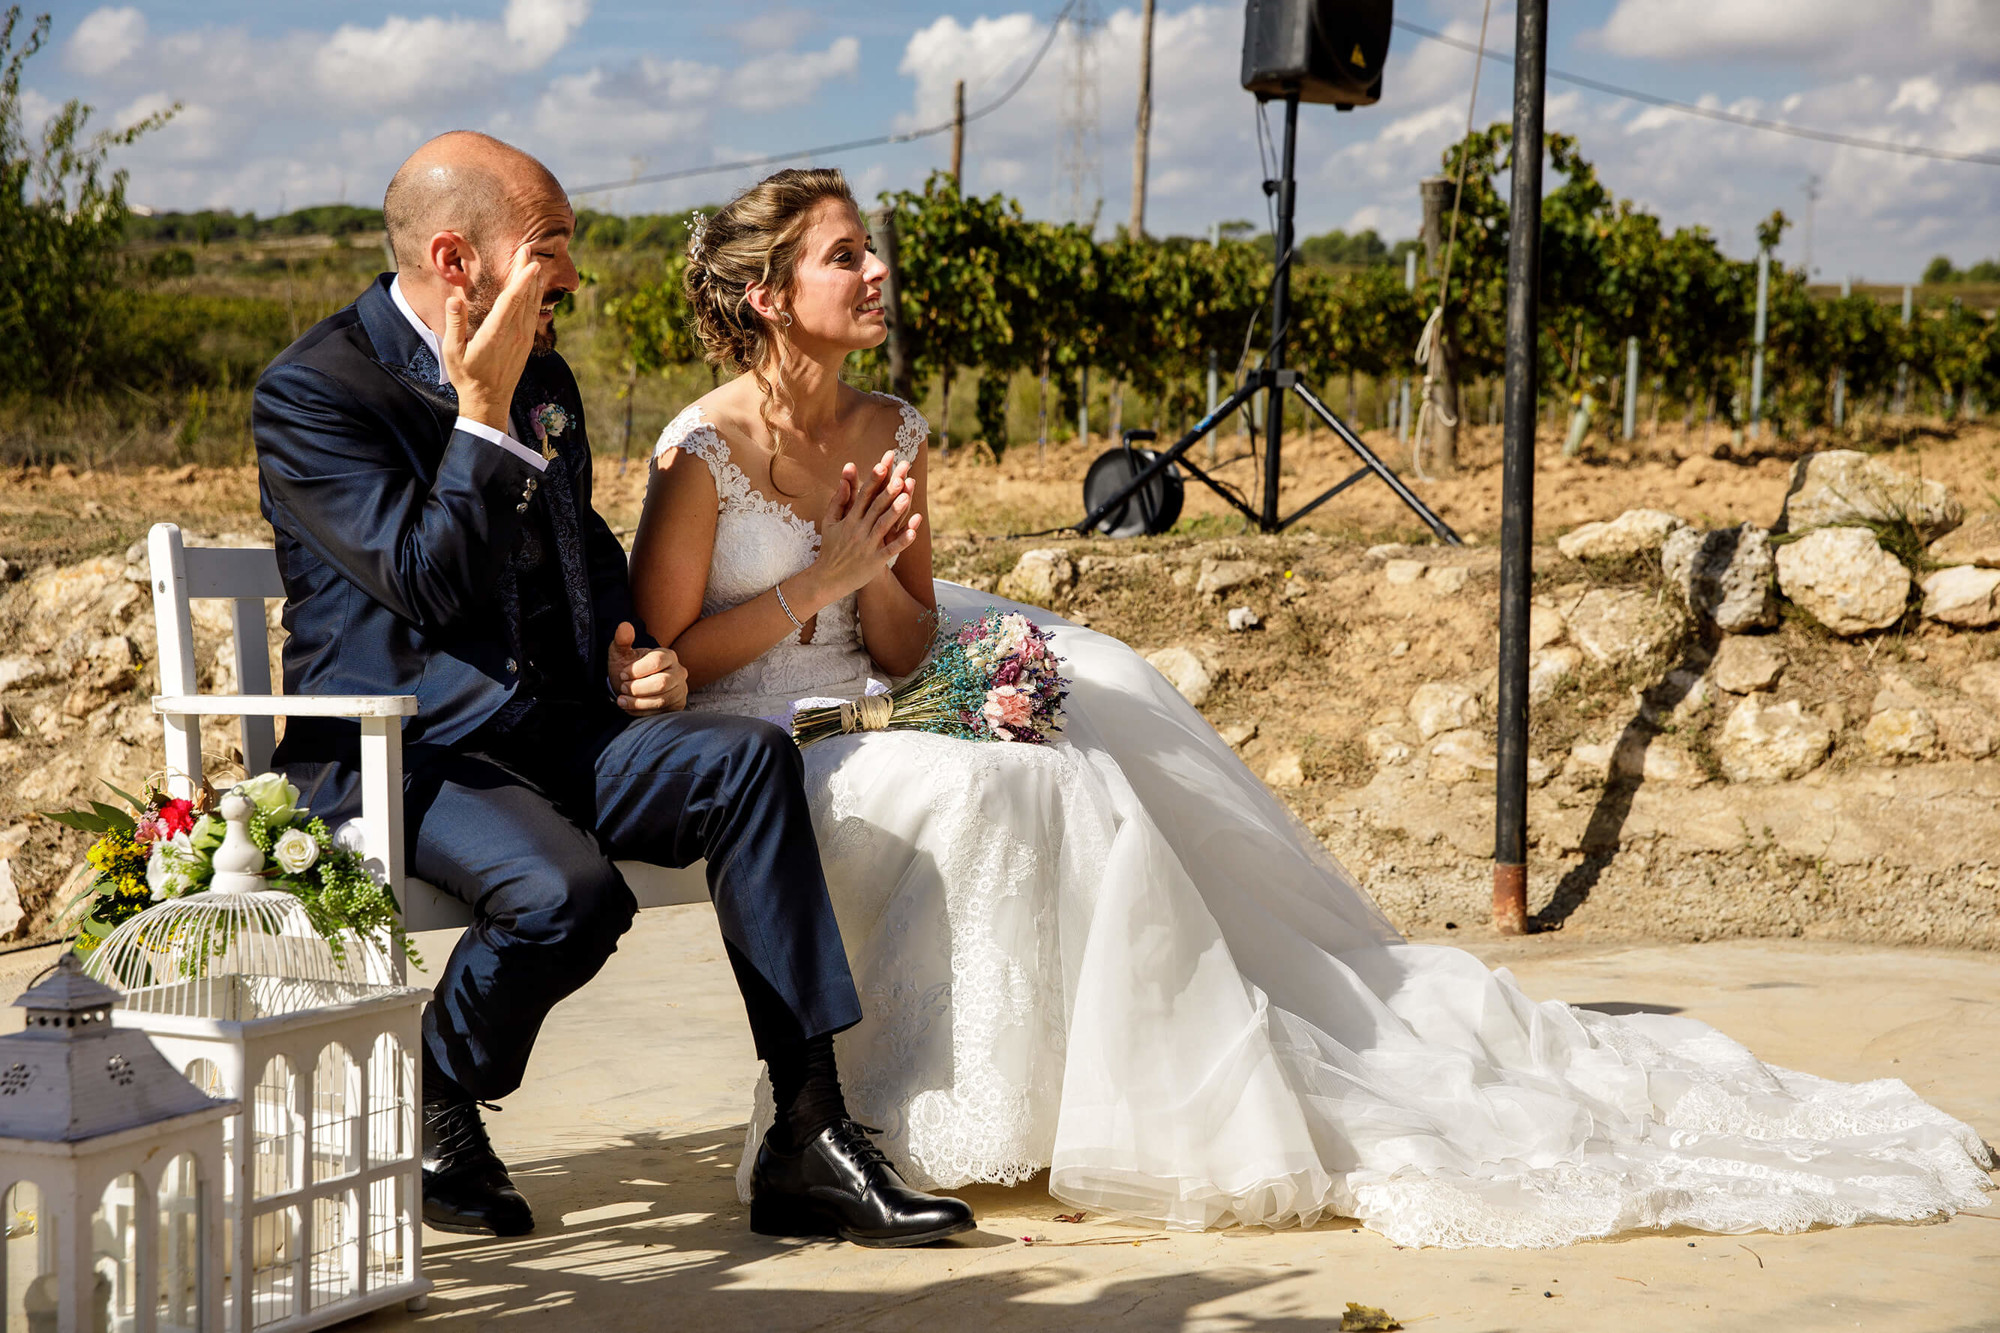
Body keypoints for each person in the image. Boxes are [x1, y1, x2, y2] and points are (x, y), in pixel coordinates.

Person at [631, 166, 1995, 1246]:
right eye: (844, 254)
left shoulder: (893, 428)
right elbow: (675, 656)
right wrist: (828, 577)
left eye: (871, 248)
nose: (876, 271)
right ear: (767, 294)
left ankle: (1051, 1103)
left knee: (1063, 755)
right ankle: (895, 1119)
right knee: (994, 787)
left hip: (873, 685)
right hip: (761, 727)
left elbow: (910, 635)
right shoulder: (703, 452)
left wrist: (878, 582)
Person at [252, 133, 972, 1248]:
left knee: (743, 761)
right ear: (458, 260)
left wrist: (641, 653)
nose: (575, 281)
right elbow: (427, 585)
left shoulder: (545, 377)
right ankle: (432, 1084)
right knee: (571, 897)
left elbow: (579, 552)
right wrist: (480, 418)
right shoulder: (316, 391)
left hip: (556, 726)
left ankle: (808, 1135)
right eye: (552, 252)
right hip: (403, 748)